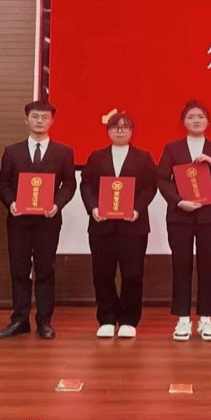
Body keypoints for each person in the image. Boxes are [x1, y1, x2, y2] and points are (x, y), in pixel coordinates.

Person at [0, 101, 77, 340]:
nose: (39, 120)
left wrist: (57, 204)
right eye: (35, 116)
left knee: (45, 270)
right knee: (19, 269)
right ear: (26, 120)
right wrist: (11, 203)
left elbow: (69, 184)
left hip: (48, 220)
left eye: (44, 117)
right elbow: (3, 184)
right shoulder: (12, 151)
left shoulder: (64, 152)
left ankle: (44, 321)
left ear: (52, 121)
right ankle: (19, 319)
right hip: (19, 220)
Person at [157, 100, 211, 342]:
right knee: (181, 265)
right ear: (183, 122)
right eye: (191, 117)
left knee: (209, 265)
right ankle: (182, 319)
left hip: (210, 215)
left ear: (208, 121)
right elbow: (162, 179)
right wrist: (178, 201)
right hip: (180, 214)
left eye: (200, 116)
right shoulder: (172, 147)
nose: (196, 120)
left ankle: (206, 319)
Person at [80, 113, 157, 338]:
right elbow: (86, 185)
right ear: (108, 131)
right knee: (102, 273)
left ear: (132, 131)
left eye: (125, 127)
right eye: (115, 127)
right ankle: (106, 318)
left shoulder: (143, 157)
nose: (120, 131)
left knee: (132, 274)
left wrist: (137, 209)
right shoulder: (96, 157)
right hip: (101, 226)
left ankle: (129, 320)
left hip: (133, 226)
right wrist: (93, 208)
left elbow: (149, 187)